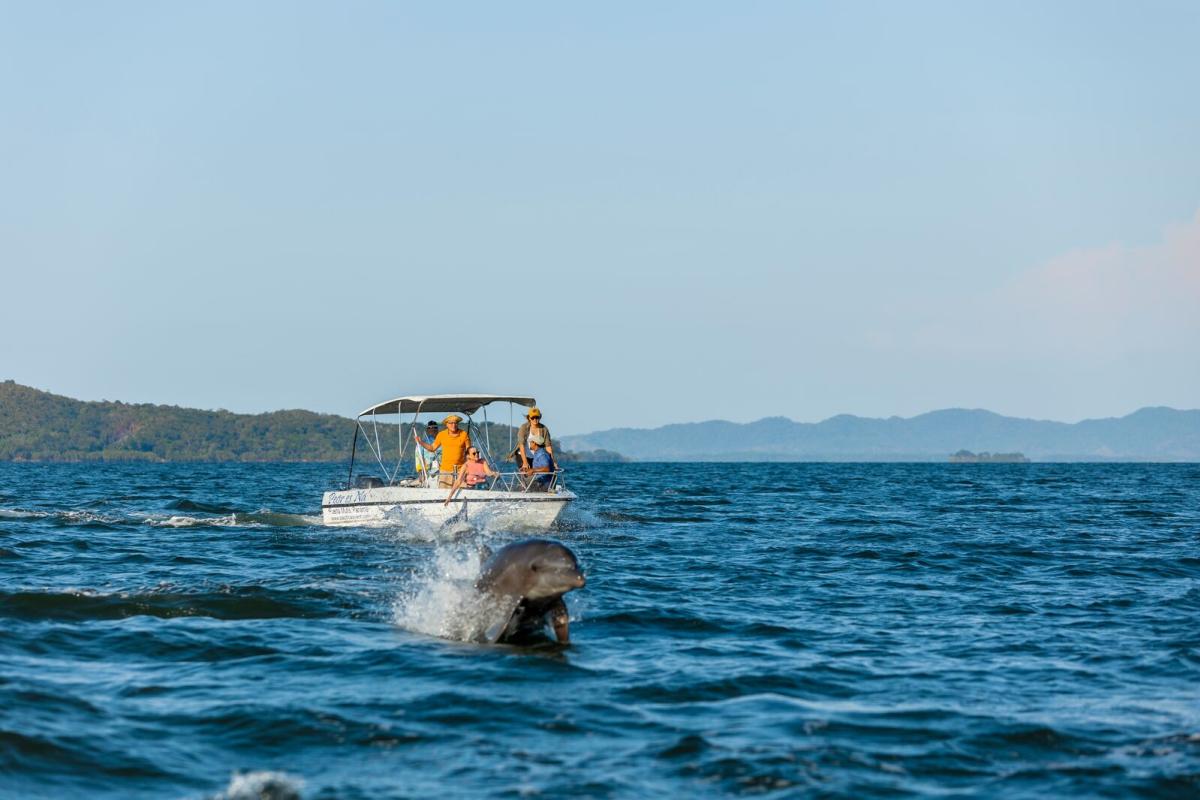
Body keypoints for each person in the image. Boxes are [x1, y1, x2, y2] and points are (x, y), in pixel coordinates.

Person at [414, 414, 471, 487]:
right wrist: (420, 442)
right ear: (446, 424)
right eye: (451, 423)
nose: (453, 425)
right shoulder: (441, 435)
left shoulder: (464, 434)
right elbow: (431, 449)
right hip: (439, 471)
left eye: (455, 422)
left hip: (459, 470)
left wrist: (470, 467)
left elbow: (469, 452)